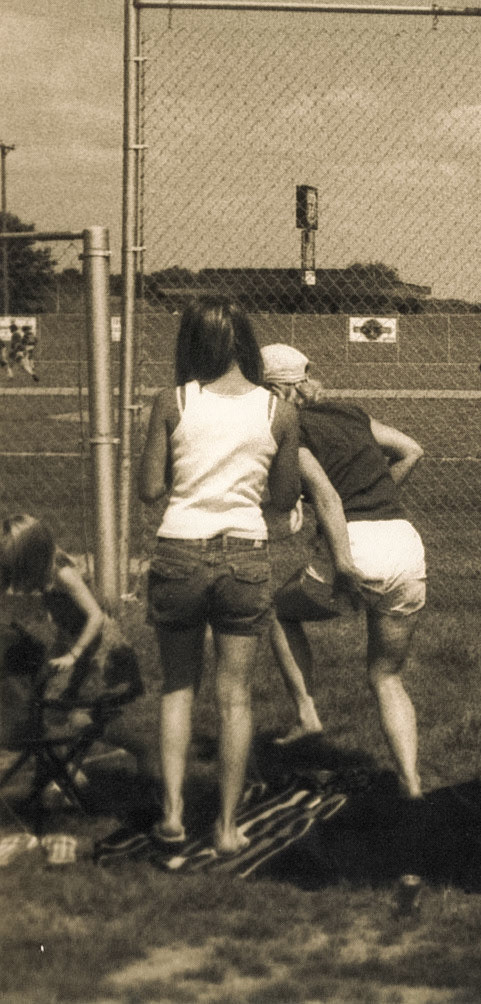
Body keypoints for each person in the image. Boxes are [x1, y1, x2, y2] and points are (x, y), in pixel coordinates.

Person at [259, 343, 429, 904]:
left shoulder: (290, 426)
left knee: (278, 611)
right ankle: (412, 786)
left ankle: (307, 714)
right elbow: (411, 450)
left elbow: (325, 499)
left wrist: (344, 562)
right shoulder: (351, 413)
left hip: (355, 548)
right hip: (404, 542)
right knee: (386, 677)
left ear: (277, 388)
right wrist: (377, 497)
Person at [139, 297, 301, 856]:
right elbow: (284, 497)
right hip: (245, 553)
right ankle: (228, 826)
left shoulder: (173, 400)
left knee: (178, 687)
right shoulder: (277, 410)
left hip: (180, 548)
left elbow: (150, 489)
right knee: (235, 697)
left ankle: (172, 814)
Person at [1, 514, 144, 761]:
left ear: (34, 556)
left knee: (78, 710)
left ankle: (138, 748)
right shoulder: (44, 569)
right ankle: (62, 768)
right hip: (71, 638)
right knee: (53, 705)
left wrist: (73, 654)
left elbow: (96, 616)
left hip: (99, 647)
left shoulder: (63, 574)